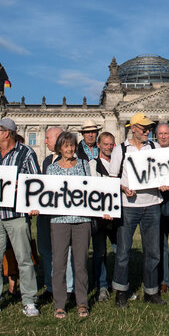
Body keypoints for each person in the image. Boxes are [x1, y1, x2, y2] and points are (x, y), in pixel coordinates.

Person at [34, 132, 111, 318]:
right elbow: (45, 195)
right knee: (59, 263)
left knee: (80, 263)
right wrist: (35, 206)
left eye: (72, 146)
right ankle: (59, 304)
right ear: (59, 148)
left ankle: (82, 302)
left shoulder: (85, 166)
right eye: (65, 146)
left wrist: (104, 209)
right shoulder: (52, 169)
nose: (69, 149)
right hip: (59, 221)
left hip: (81, 221)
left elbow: (95, 191)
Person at [0, 118, 42, 317]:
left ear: (7, 133)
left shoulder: (26, 153)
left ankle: (29, 300)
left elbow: (35, 181)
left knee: (24, 258)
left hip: (15, 214)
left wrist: (22, 189)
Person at [108, 113, 167, 307]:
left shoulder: (155, 147)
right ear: (133, 128)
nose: (148, 131)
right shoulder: (120, 150)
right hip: (129, 205)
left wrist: (163, 183)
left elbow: (163, 172)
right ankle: (121, 292)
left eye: (149, 128)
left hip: (152, 204)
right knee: (123, 251)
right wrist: (124, 188)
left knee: (153, 251)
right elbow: (112, 177)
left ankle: (151, 292)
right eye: (144, 128)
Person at [37, 126, 73, 303]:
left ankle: (68, 289)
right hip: (46, 214)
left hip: (64, 215)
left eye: (48, 138)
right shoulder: (46, 161)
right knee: (46, 251)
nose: (45, 142)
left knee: (66, 252)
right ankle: (50, 287)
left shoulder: (72, 161)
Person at [88, 131, 116, 301]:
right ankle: (102, 286)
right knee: (99, 252)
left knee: (120, 251)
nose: (108, 147)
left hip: (116, 215)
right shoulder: (92, 164)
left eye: (111, 144)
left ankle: (121, 284)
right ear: (98, 145)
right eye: (105, 144)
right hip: (99, 216)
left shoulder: (119, 162)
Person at [154, 122, 169, 293]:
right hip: (157, 201)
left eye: (166, 134)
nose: (163, 136)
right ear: (156, 135)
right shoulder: (150, 153)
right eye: (160, 134)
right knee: (160, 242)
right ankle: (163, 279)